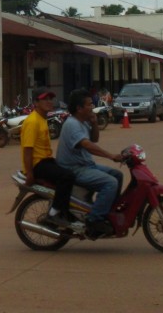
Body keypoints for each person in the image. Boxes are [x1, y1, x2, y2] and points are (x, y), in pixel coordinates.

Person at [57, 88, 125, 237]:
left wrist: (94, 123)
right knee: (110, 183)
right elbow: (87, 145)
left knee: (117, 175)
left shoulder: (82, 122)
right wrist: (111, 156)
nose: (92, 107)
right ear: (79, 108)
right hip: (74, 168)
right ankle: (94, 220)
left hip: (86, 165)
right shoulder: (72, 124)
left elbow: (94, 139)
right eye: (88, 104)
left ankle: (105, 211)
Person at [20, 88, 78, 230]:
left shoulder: (42, 118)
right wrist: (29, 173)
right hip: (38, 165)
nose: (49, 102)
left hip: (46, 160)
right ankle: (54, 213)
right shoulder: (33, 121)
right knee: (67, 176)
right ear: (35, 102)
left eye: (50, 99)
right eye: (45, 99)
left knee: (72, 172)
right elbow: (28, 150)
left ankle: (65, 211)